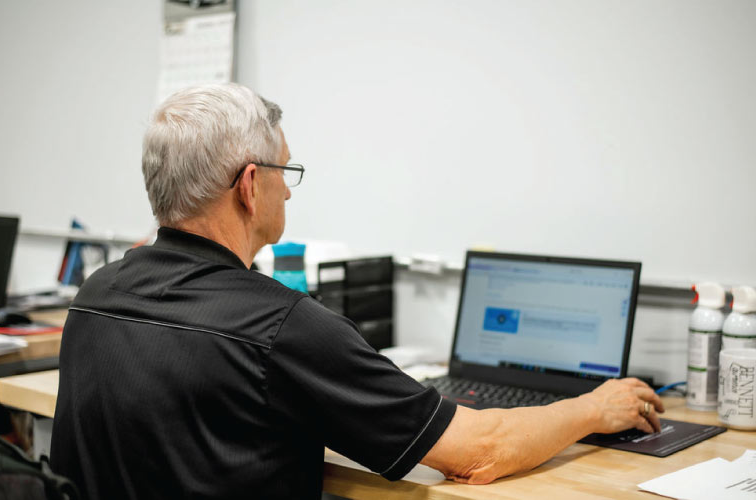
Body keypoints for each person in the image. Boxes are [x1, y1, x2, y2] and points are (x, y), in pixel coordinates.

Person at [50, 83, 664, 499]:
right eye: (286, 174)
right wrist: (593, 408)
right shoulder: (282, 326)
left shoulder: (95, 294)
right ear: (249, 185)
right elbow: (483, 451)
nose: (289, 192)